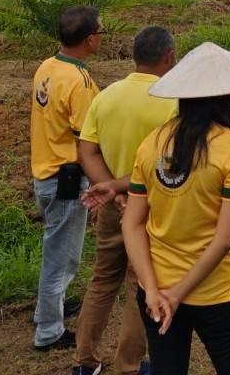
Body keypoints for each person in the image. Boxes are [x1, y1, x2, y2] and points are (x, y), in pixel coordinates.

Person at [123, 42, 230, 375]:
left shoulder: (152, 143)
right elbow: (223, 238)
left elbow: (132, 224)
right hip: (214, 292)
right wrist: (178, 294)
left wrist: (154, 289)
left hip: (155, 292)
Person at [73, 26, 180, 375]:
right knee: (142, 283)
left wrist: (110, 189)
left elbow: (86, 150)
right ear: (169, 58)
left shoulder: (106, 96)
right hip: (151, 208)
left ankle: (85, 361)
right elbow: (167, 163)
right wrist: (125, 190)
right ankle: (129, 366)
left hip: (112, 208)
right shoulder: (172, 101)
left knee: (103, 279)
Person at [31, 6, 102, 351]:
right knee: (62, 257)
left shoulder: (48, 66)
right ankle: (48, 331)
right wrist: (101, 184)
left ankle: (51, 307)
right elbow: (87, 140)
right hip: (67, 178)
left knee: (57, 250)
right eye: (101, 32)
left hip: (44, 172)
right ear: (90, 40)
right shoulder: (81, 81)